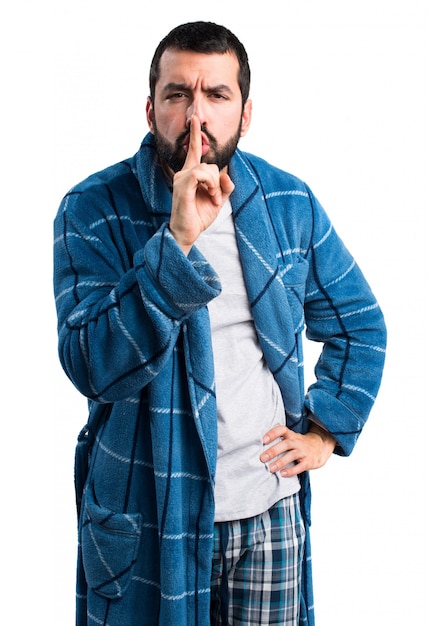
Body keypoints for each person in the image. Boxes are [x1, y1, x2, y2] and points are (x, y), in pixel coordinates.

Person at [53, 21, 386, 626]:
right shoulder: (93, 207)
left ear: (247, 112)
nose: (196, 115)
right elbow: (91, 364)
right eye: (179, 94)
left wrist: (324, 433)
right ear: (151, 107)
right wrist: (177, 240)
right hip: (148, 512)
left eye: (217, 96)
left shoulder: (288, 202)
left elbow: (360, 325)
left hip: (267, 513)